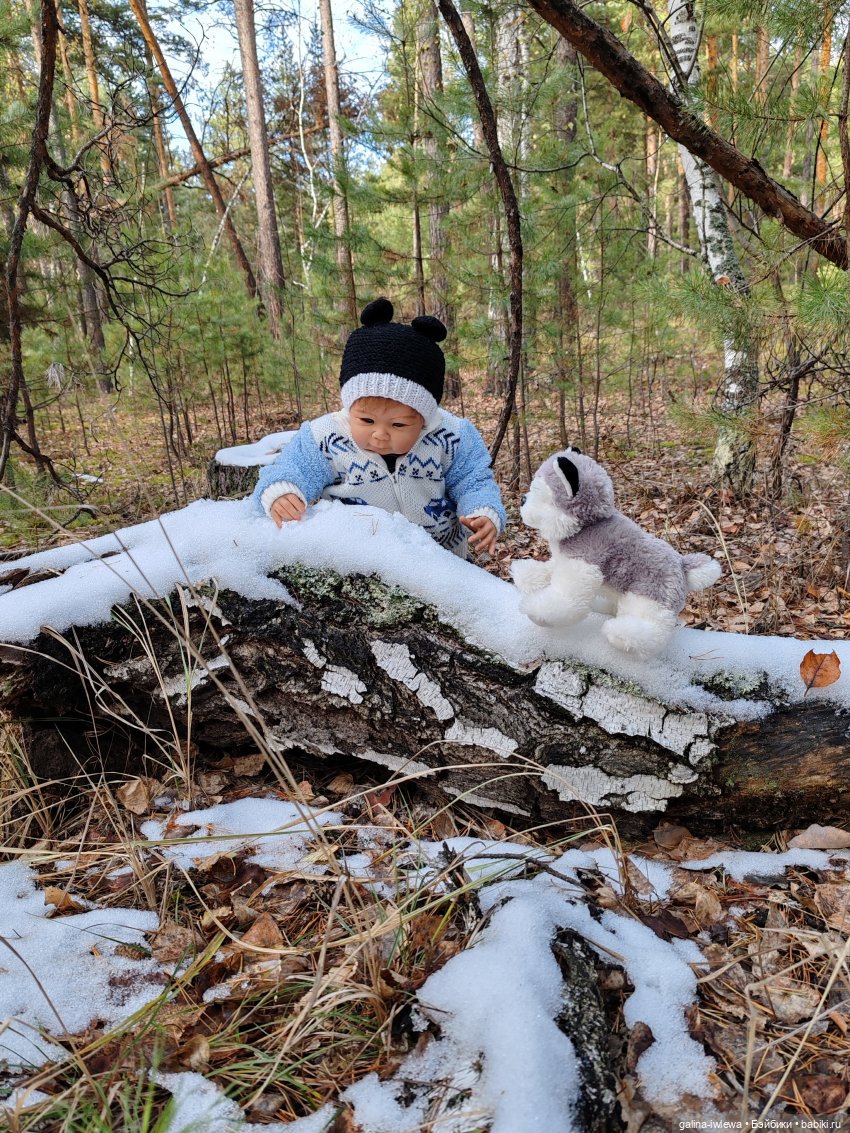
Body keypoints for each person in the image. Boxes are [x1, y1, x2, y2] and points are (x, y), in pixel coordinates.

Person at [253, 297, 506, 558]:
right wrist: (281, 492)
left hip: (442, 561)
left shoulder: (452, 437)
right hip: (362, 560)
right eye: (366, 421)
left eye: (398, 424)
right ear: (350, 407)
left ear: (424, 418)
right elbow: (292, 467)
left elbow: (473, 480)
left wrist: (482, 510)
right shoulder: (325, 438)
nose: (380, 434)